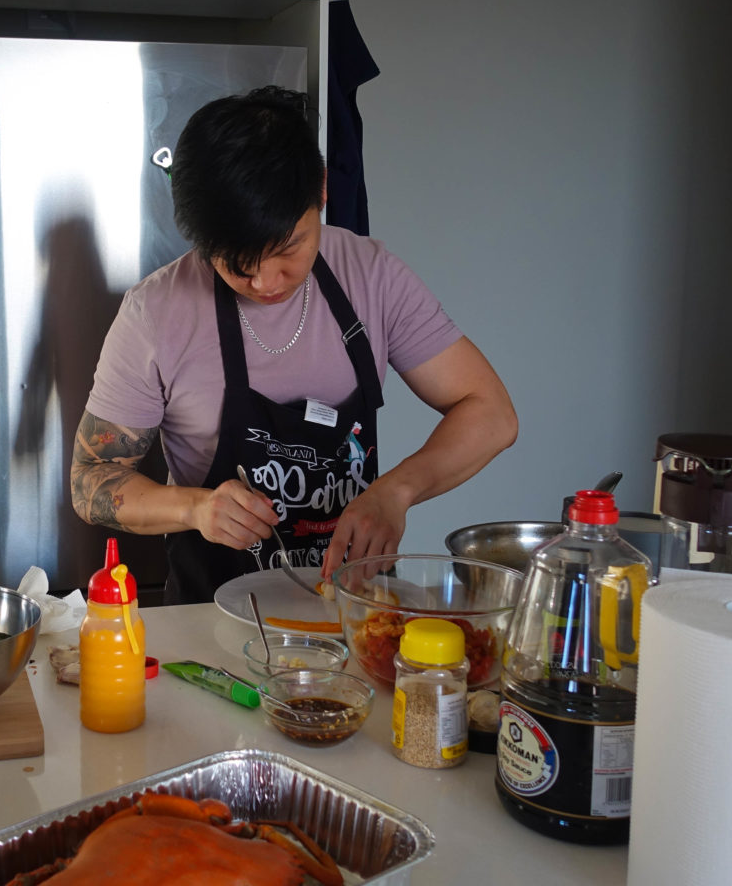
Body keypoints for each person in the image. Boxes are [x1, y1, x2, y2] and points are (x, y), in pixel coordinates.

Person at [69, 86, 517, 604]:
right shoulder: (156, 313)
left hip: (354, 615)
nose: (265, 283)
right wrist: (195, 508)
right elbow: (90, 479)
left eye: (288, 249)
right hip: (209, 619)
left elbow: (492, 413)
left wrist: (397, 491)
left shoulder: (371, 277)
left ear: (321, 192)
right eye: (237, 262)